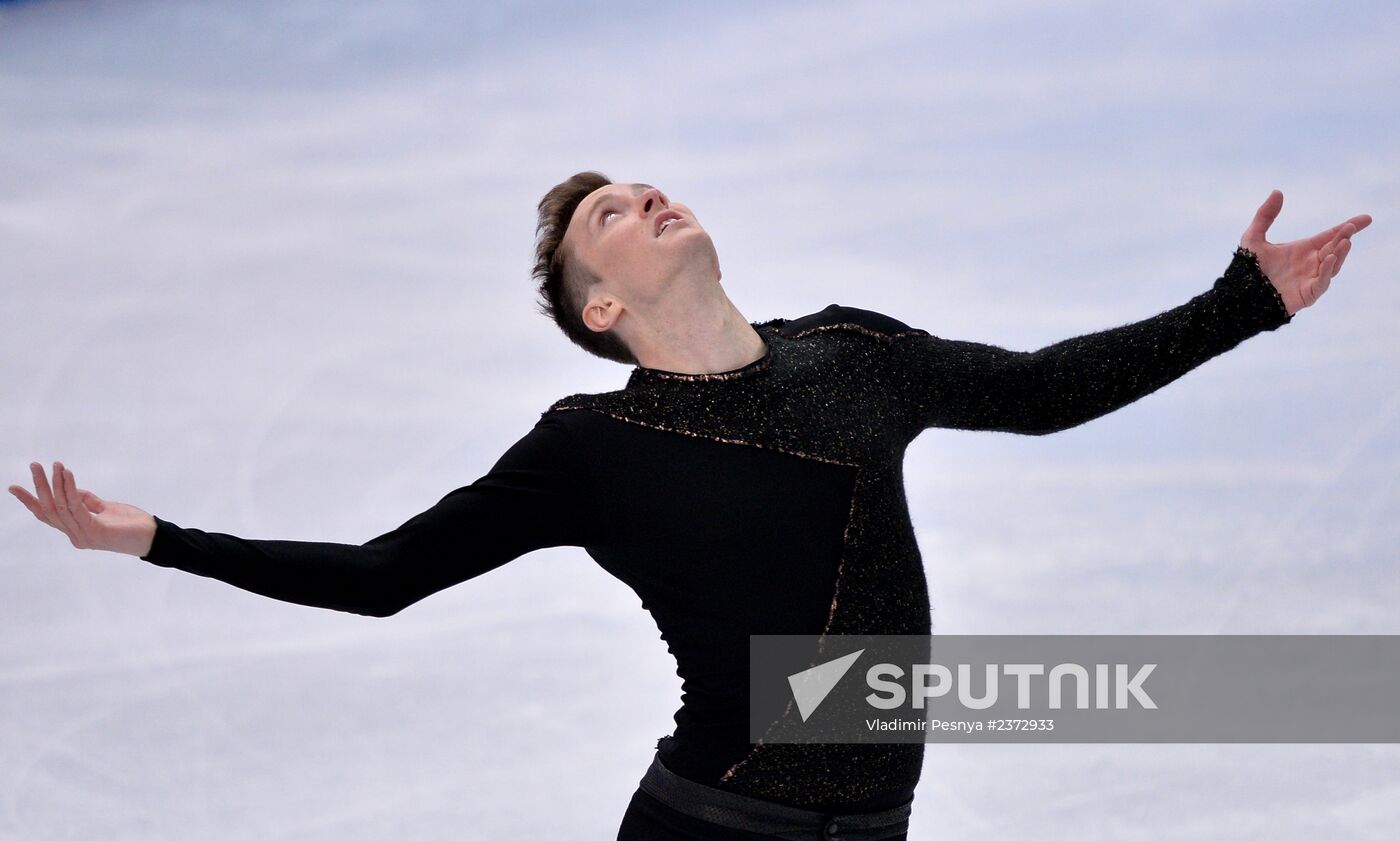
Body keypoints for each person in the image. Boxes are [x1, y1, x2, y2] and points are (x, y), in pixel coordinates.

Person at [10, 172, 1371, 841]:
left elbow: (1040, 389)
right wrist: (152, 536)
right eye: (608, 215)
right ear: (601, 310)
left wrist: (1238, 305)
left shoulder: (855, 354)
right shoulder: (593, 445)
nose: (643, 196)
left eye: (641, 185)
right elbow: (383, 573)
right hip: (717, 833)